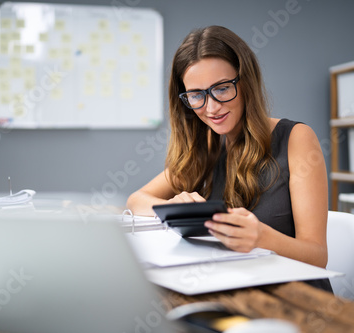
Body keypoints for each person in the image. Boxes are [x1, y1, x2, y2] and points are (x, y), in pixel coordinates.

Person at [126, 25, 331, 291]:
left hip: (294, 298)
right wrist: (177, 203)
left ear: (246, 82)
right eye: (197, 95)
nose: (211, 108)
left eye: (222, 88)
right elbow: (136, 200)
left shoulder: (296, 138)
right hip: (231, 288)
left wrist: (262, 237)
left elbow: (317, 257)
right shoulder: (206, 148)